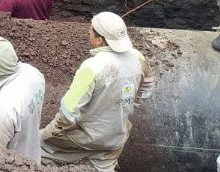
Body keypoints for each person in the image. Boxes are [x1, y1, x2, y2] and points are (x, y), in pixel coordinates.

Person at [41, 12, 155, 172]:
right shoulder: (137, 58)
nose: (88, 33)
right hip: (116, 136)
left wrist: (49, 134)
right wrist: (126, 105)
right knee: (103, 166)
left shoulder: (92, 67)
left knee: (39, 146)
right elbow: (147, 87)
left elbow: (67, 113)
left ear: (99, 40)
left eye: (91, 31)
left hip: (89, 136)